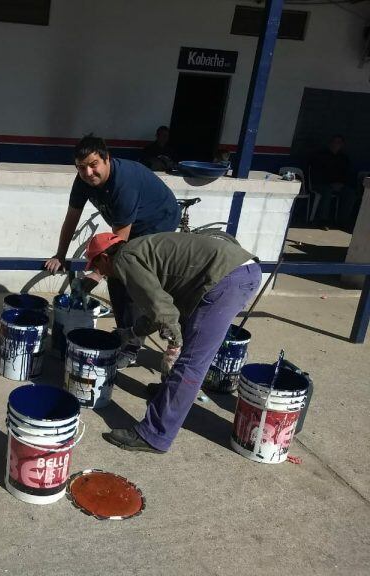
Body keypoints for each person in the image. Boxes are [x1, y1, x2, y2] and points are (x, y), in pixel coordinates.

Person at [84, 231, 261, 453]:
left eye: (97, 266)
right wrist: (129, 333)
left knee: (190, 363)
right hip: (235, 271)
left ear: (105, 257)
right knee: (188, 351)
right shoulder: (142, 250)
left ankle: (154, 435)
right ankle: (169, 392)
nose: (101, 273)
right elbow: (157, 309)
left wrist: (174, 344)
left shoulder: (124, 259)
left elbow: (161, 309)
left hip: (227, 279)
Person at [44, 134, 180, 367]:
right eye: (81, 167)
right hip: (129, 225)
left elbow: (118, 247)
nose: (88, 173)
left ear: (107, 159)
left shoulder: (123, 184)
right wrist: (60, 255)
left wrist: (95, 276)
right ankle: (129, 334)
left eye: (93, 165)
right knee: (117, 277)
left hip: (157, 222)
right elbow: (71, 218)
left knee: (128, 277)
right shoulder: (82, 180)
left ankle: (132, 345)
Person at [309, 135, 355, 229]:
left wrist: (341, 184)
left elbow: (347, 174)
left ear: (342, 145)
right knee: (327, 191)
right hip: (321, 184)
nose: (336, 145)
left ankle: (343, 221)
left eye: (338, 143)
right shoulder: (320, 155)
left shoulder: (343, 158)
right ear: (330, 143)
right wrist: (330, 184)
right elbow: (316, 173)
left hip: (338, 184)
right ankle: (323, 221)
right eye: (334, 142)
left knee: (350, 193)